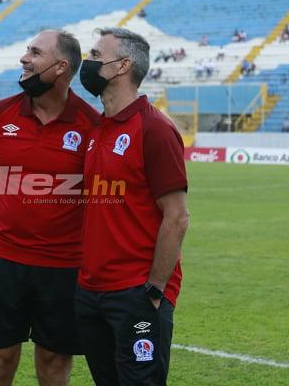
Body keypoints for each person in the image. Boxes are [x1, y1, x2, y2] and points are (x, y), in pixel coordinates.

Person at [0, 30, 100, 386]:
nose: (24, 58)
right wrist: (8, 212)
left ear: (61, 67)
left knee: (54, 360)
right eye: (27, 50)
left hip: (63, 265)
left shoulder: (91, 125)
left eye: (35, 52)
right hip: (1, 259)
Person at [75, 27, 189, 386]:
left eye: (96, 55)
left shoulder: (154, 129)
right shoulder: (97, 128)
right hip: (91, 291)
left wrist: (154, 290)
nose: (88, 62)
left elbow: (177, 217)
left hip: (136, 293)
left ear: (122, 66)